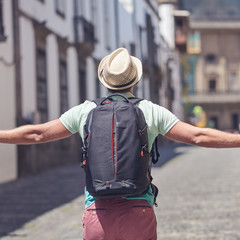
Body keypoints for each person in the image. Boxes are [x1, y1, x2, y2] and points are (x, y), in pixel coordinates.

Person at [1, 48, 240, 240]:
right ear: (134, 80)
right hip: (139, 211)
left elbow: (37, 134)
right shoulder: (149, 110)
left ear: (105, 80)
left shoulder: (86, 111)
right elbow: (198, 136)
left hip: (98, 213)